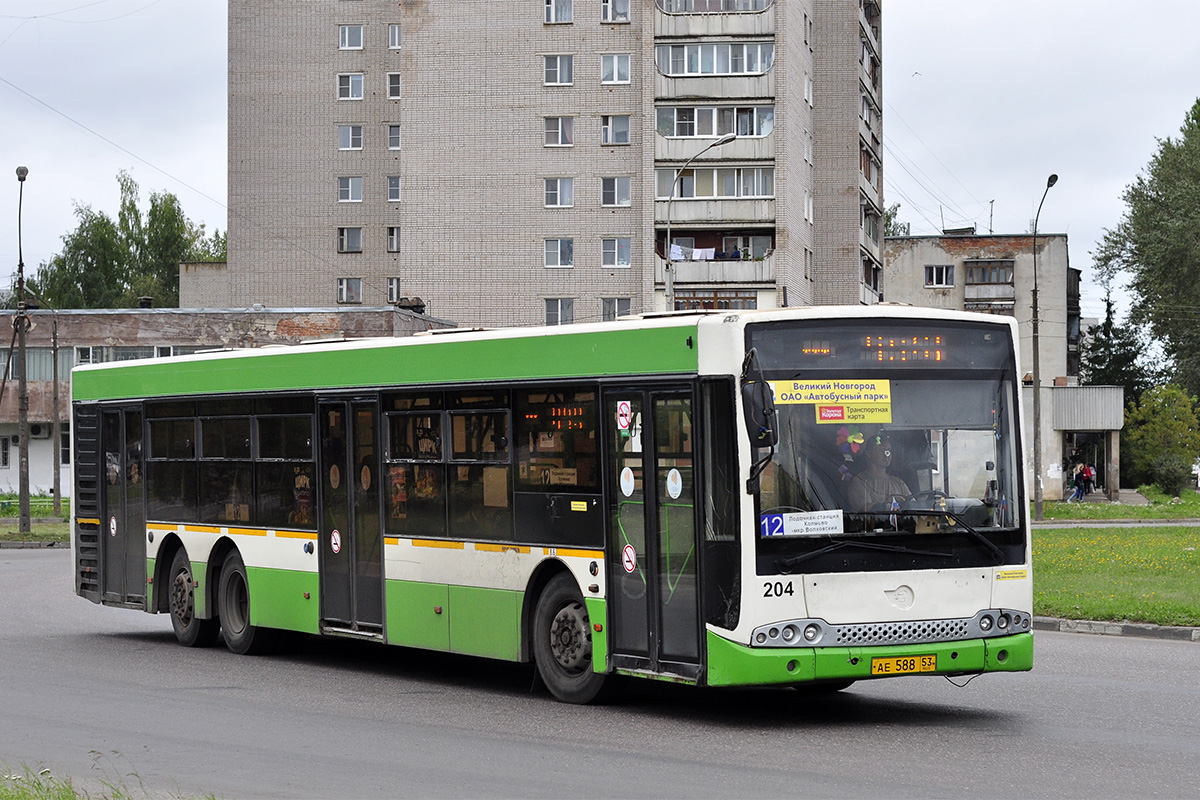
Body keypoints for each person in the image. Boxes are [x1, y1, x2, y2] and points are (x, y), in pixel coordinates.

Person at [847, 435, 912, 511]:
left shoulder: (899, 483)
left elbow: (912, 504)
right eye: (881, 450)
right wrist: (886, 505)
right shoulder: (859, 482)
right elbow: (865, 509)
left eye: (888, 450)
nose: (886, 454)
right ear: (869, 454)